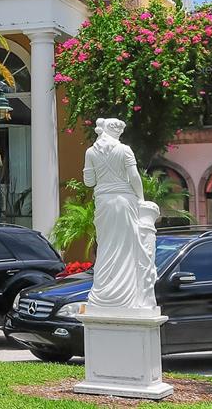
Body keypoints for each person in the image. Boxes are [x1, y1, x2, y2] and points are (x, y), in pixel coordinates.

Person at [84, 117, 157, 311]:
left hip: (103, 203)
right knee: (126, 247)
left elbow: (89, 182)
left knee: (106, 245)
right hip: (125, 201)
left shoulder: (90, 152)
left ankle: (104, 292)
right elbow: (134, 176)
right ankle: (126, 295)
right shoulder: (124, 150)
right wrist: (141, 198)